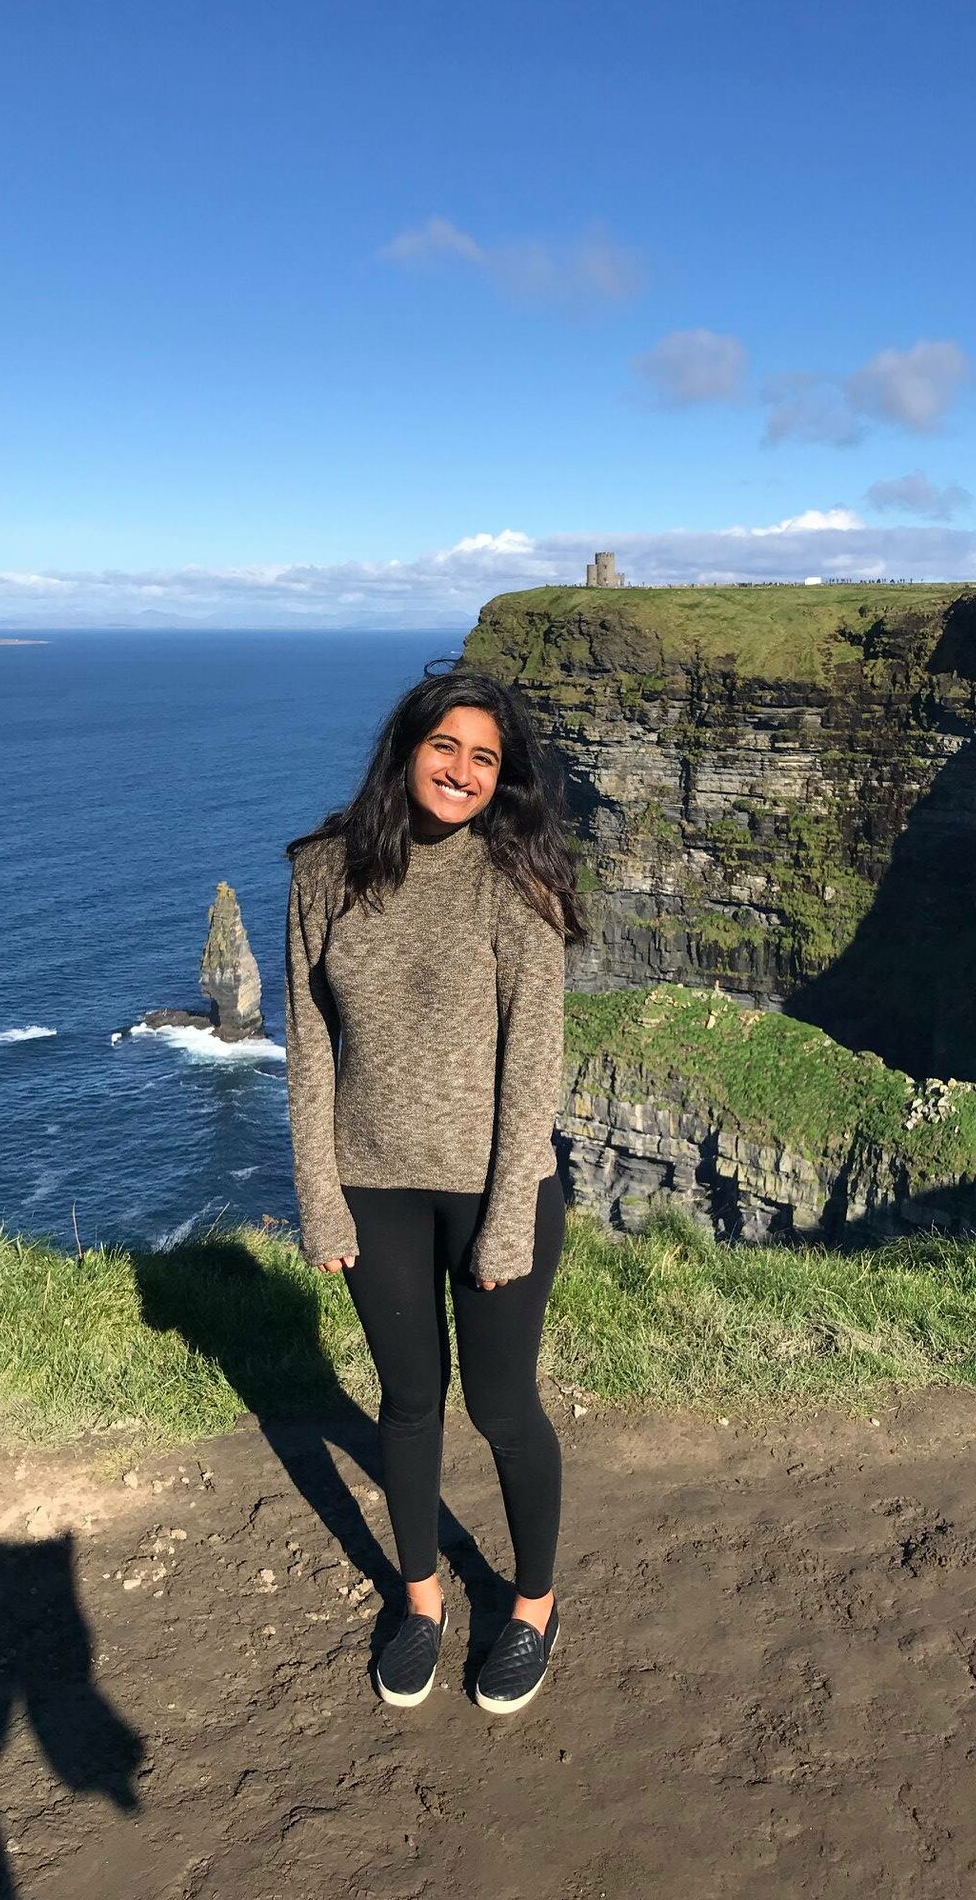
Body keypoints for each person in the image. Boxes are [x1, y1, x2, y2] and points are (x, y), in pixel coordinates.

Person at [283, 666, 589, 1714]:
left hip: (494, 1189)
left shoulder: (517, 881)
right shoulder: (325, 873)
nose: (461, 771)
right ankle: (421, 1601)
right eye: (445, 747)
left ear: (503, 778)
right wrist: (319, 1195)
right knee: (409, 1402)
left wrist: (506, 1221)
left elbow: (533, 1064)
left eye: (484, 758)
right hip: (372, 1183)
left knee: (503, 1407)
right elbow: (309, 1045)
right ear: (406, 748)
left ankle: (534, 1607)